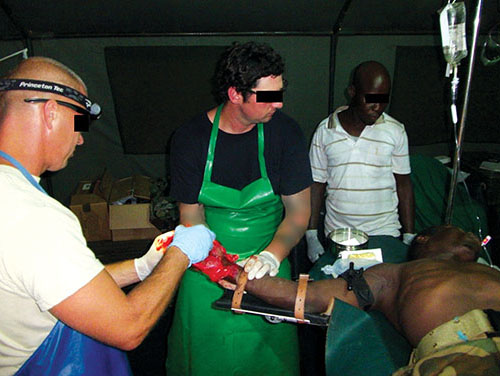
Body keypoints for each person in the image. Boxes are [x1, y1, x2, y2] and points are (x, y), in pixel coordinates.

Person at [0, 57, 215, 376]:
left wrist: (142, 267)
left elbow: (60, 287)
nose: (81, 139)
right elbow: (129, 327)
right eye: (80, 123)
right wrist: (180, 253)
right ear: (51, 112)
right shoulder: (33, 215)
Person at [167, 41, 312, 375]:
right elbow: (191, 220)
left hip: (268, 269)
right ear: (235, 94)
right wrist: (222, 271)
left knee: (270, 360)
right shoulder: (190, 139)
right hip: (205, 267)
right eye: (267, 97)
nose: (278, 103)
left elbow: (299, 212)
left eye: (280, 92)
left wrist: (271, 256)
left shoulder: (285, 132)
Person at [218, 225, 500, 374]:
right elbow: (308, 297)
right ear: (425, 239)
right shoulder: (393, 275)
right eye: (458, 231)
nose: (470, 235)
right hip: (468, 354)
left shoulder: (489, 270)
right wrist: (233, 270)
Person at [306, 61, 415, 263]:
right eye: (371, 99)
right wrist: (311, 234)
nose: (378, 107)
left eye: (383, 100)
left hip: (384, 232)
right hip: (339, 234)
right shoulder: (325, 131)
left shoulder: (395, 130)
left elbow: (404, 184)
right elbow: (316, 183)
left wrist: (409, 234)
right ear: (352, 92)